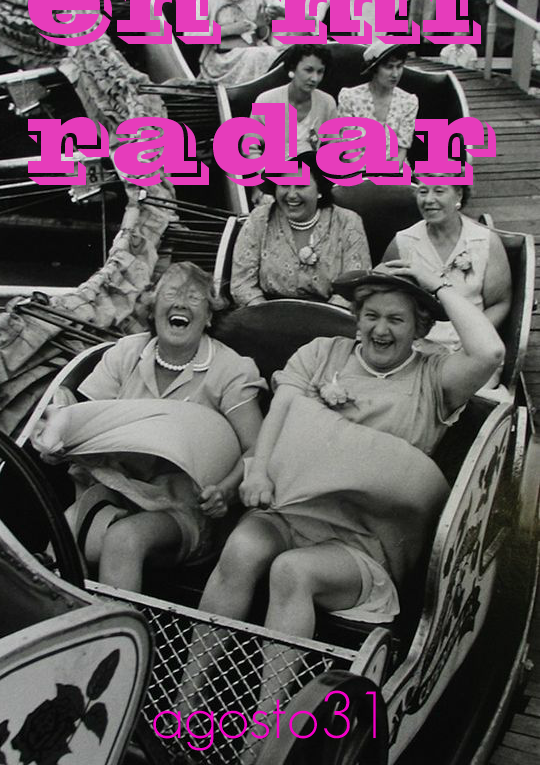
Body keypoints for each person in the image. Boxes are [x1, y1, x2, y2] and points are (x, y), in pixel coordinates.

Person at [177, 263, 505, 747]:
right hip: (294, 509)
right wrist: (259, 470)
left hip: (363, 540)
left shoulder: (435, 378)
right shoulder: (321, 353)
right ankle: (185, 704)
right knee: (242, 547)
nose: (380, 329)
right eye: (371, 315)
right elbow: (282, 410)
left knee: (292, 571)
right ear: (356, 318)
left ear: (419, 328)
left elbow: (491, 351)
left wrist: (435, 283)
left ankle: (266, 734)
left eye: (396, 319)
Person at [31, 262, 265, 592]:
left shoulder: (231, 369)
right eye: (171, 293)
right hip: (116, 493)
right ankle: (72, 618)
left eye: (194, 297)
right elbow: (87, 421)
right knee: (61, 536)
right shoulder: (126, 353)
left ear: (209, 316)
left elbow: (257, 448)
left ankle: (121, 626)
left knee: (124, 539)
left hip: (185, 509)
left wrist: (225, 491)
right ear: (152, 309)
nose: (181, 302)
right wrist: (60, 444)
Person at [382, 178, 512, 355]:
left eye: (439, 191)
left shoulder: (484, 241)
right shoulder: (403, 242)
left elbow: (499, 303)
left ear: (458, 194)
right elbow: (382, 297)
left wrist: (472, 339)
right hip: (414, 350)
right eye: (423, 191)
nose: (429, 199)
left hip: (471, 349)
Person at [230, 151, 371, 307]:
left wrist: (322, 318)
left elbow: (355, 286)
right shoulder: (260, 219)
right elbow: (241, 284)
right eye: (284, 185)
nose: (291, 195)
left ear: (320, 191)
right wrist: (265, 315)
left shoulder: (347, 222)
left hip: (331, 316)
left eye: (301, 186)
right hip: (265, 314)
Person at [196, 0, 279, 85]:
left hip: (253, 48)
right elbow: (192, 33)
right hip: (220, 55)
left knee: (271, 54)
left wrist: (261, 26)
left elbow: (261, 35)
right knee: (254, 56)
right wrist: (228, 30)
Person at [337, 40, 419, 168]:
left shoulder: (409, 101)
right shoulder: (349, 97)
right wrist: (364, 175)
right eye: (389, 67)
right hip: (355, 170)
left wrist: (386, 175)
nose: (395, 74)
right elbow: (349, 147)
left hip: (395, 171)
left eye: (399, 66)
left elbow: (401, 149)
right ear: (374, 69)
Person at [250, 44, 337, 158]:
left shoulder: (327, 103)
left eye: (320, 72)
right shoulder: (266, 100)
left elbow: (333, 148)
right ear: (292, 68)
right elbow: (250, 148)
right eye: (308, 70)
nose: (314, 78)